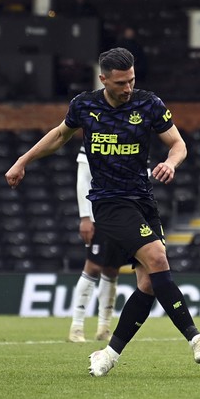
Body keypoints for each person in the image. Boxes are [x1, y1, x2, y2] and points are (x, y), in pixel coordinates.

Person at [5, 47, 200, 376]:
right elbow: (59, 136)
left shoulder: (149, 104)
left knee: (147, 283)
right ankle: (196, 338)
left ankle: (108, 354)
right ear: (103, 79)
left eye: (131, 80)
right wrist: (22, 161)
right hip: (109, 203)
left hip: (143, 201)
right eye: (120, 83)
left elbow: (178, 144)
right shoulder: (85, 105)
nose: (128, 88)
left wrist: (171, 163)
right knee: (158, 258)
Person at [67, 145, 121, 343]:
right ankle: (77, 327)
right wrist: (85, 217)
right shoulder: (94, 139)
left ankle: (104, 328)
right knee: (93, 266)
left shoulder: (133, 139)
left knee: (112, 269)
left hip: (122, 216)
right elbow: (83, 178)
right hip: (98, 215)